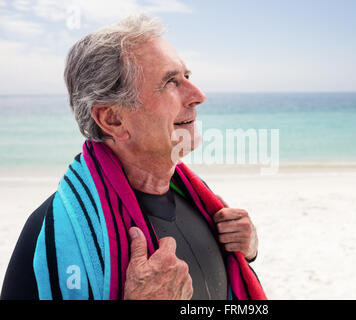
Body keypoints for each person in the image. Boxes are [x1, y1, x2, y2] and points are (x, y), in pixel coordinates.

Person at [1, 14, 265, 300]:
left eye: (186, 76)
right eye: (170, 82)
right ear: (113, 119)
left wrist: (248, 249)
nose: (198, 95)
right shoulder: (50, 231)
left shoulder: (200, 199)